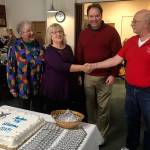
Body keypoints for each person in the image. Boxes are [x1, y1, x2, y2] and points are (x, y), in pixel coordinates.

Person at [87, 9, 150, 150]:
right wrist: (94, 65)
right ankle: (130, 146)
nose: (132, 24)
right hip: (130, 89)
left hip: (147, 92)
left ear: (146, 23)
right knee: (131, 120)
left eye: (135, 21)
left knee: (148, 124)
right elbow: (116, 59)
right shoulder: (131, 41)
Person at [75, 3, 122, 140]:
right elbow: (79, 55)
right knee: (90, 106)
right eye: (91, 16)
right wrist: (79, 74)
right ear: (87, 17)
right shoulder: (83, 34)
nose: (94, 19)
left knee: (103, 108)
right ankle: (91, 132)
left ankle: (101, 136)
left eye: (97, 16)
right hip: (88, 76)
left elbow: (118, 55)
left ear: (101, 16)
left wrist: (114, 74)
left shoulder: (111, 32)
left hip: (106, 77)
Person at [41, 23, 90, 114]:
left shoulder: (68, 48)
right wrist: (82, 68)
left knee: (67, 112)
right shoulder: (49, 51)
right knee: (55, 114)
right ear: (50, 36)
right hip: (55, 88)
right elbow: (61, 66)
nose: (58, 34)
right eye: (54, 32)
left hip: (68, 85)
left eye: (60, 31)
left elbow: (73, 62)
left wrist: (78, 75)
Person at [6, 20, 44, 112]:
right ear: (21, 33)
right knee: (24, 113)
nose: (32, 33)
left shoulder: (39, 45)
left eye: (33, 30)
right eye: (28, 31)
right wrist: (12, 87)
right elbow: (10, 68)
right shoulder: (15, 48)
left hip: (38, 86)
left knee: (39, 112)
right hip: (23, 86)